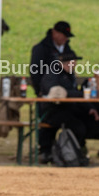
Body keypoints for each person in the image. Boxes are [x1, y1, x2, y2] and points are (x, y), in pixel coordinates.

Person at [40, 52, 99, 159]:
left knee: (95, 123)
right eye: (73, 62)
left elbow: (74, 95)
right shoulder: (52, 74)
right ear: (65, 63)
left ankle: (77, 148)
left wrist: (91, 109)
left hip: (69, 109)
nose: (75, 65)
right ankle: (69, 153)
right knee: (78, 127)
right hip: (53, 112)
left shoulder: (70, 75)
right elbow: (55, 92)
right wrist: (79, 94)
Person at [30, 20, 75, 162]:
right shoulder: (41, 49)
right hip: (46, 93)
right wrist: (41, 91)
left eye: (67, 36)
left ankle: (71, 149)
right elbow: (35, 72)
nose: (66, 39)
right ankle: (45, 149)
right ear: (55, 33)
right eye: (63, 35)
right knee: (50, 116)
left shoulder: (68, 50)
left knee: (72, 114)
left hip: (66, 96)